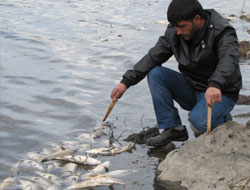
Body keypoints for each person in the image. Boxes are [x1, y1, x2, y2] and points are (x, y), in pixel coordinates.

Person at [110, 0, 242, 146]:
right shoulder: (175, 32)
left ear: (197, 19)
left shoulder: (222, 31)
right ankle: (173, 128)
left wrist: (215, 84)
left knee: (200, 122)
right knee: (156, 73)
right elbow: (153, 57)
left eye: (181, 27)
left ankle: (223, 119)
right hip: (192, 87)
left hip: (221, 92)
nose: (178, 32)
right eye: (175, 27)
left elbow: (229, 60)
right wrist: (126, 82)